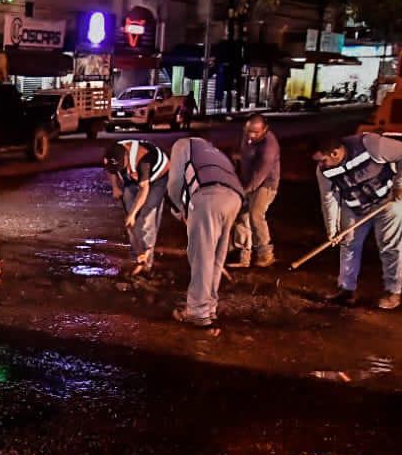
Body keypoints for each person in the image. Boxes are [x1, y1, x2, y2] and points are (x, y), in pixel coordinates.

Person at [312, 132, 402, 309]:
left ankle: (393, 291)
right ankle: (346, 290)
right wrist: (332, 229)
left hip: (388, 201)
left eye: (323, 160)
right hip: (355, 206)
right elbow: (329, 198)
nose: (320, 165)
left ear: (335, 153)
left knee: (390, 246)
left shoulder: (370, 144)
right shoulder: (323, 171)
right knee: (348, 244)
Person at [165, 136, 244, 327]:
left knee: (201, 258)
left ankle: (197, 313)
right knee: (216, 258)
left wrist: (181, 209)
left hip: (208, 199)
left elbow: (174, 184)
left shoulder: (182, 145)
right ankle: (210, 307)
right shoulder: (214, 153)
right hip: (235, 200)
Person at [103, 139, 169, 277]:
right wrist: (115, 187)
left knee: (145, 219)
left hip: (157, 180)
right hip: (133, 179)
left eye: (121, 166)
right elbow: (110, 170)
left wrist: (133, 214)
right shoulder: (113, 152)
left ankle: (147, 263)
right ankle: (136, 256)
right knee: (130, 223)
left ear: (127, 157)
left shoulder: (144, 158)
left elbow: (144, 188)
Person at [231, 114, 281, 268]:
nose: (251, 135)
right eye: (249, 131)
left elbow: (260, 175)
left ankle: (266, 254)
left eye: (255, 132)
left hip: (266, 184)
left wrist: (245, 191)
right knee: (241, 213)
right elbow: (243, 153)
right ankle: (243, 255)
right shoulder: (247, 136)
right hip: (248, 181)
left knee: (255, 214)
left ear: (265, 129)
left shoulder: (269, 147)